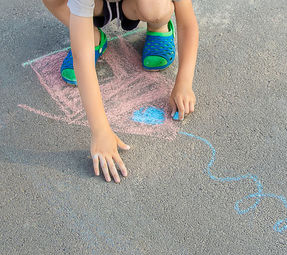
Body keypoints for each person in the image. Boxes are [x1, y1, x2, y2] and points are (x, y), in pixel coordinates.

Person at [42, 0, 199, 183]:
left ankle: (158, 26)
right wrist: (100, 131)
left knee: (155, 8)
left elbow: (187, 24)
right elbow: (81, 58)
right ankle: (91, 38)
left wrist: (184, 82)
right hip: (98, 5)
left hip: (140, 4)